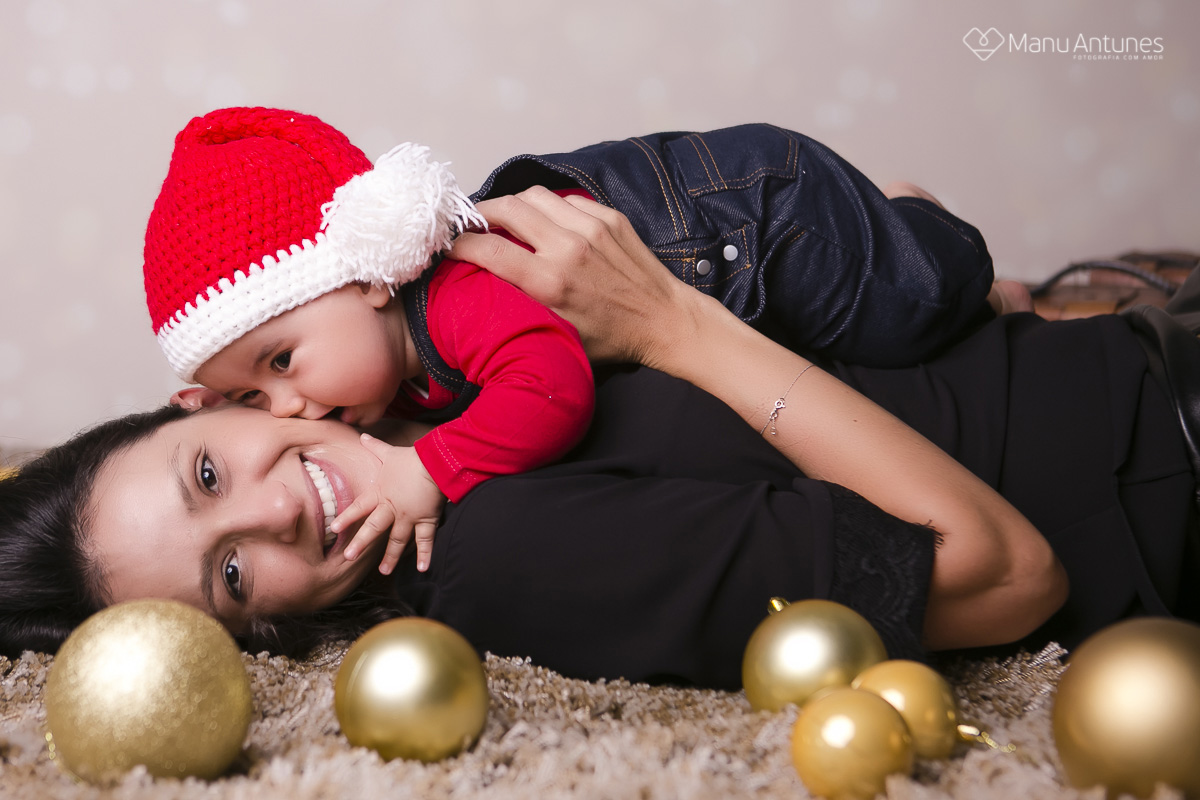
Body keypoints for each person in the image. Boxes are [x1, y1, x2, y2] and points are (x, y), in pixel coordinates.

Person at [5, 196, 1198, 689]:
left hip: (1130, 346)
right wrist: (673, 325)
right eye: (228, 574)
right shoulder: (506, 555)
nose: (269, 511)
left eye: (205, 476)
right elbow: (1005, 573)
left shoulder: (427, 370)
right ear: (257, 632)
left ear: (200, 405)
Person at [143, 107, 1006, 578]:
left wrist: (425, 470)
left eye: (283, 361)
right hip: (725, 241)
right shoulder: (379, 363)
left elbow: (553, 388)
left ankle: (921, 221)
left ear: (371, 276)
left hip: (763, 219)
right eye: (253, 397)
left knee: (919, 309)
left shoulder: (453, 303)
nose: (289, 406)